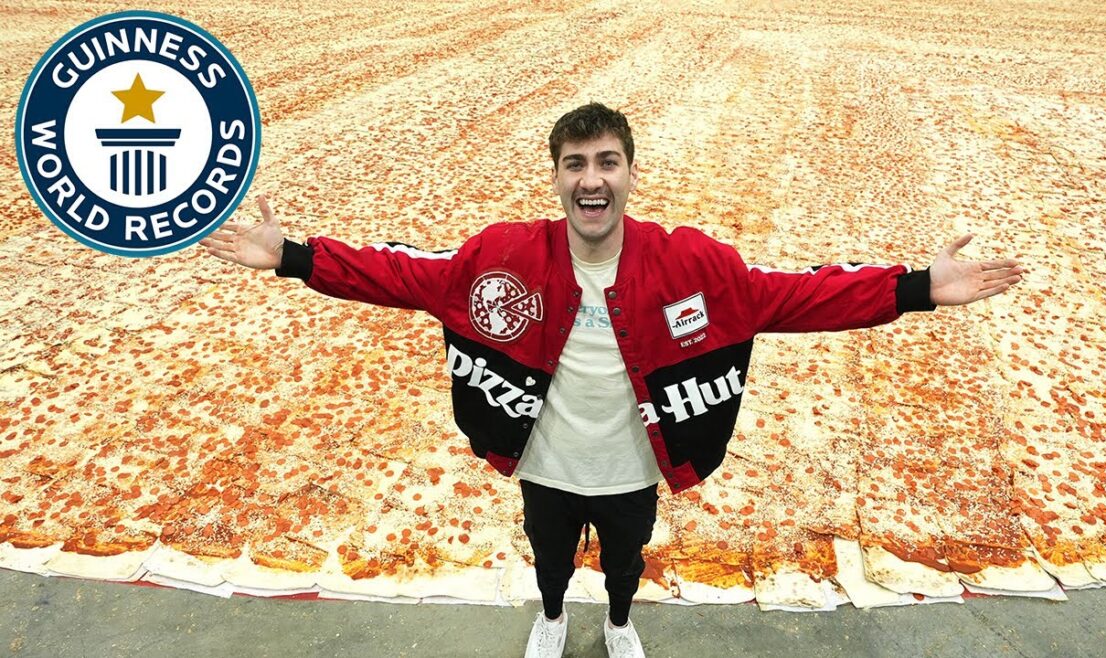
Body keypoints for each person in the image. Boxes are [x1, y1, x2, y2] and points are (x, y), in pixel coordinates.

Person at [200, 102, 1023, 657]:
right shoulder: (499, 257)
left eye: (606, 162)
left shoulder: (694, 263)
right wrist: (294, 257)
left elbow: (797, 295)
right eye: (574, 164)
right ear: (555, 178)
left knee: (627, 559)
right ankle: (555, 616)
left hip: (635, 468)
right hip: (544, 464)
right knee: (550, 559)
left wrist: (918, 288)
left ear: (630, 173)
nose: (590, 179)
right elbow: (399, 273)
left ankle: (622, 622)